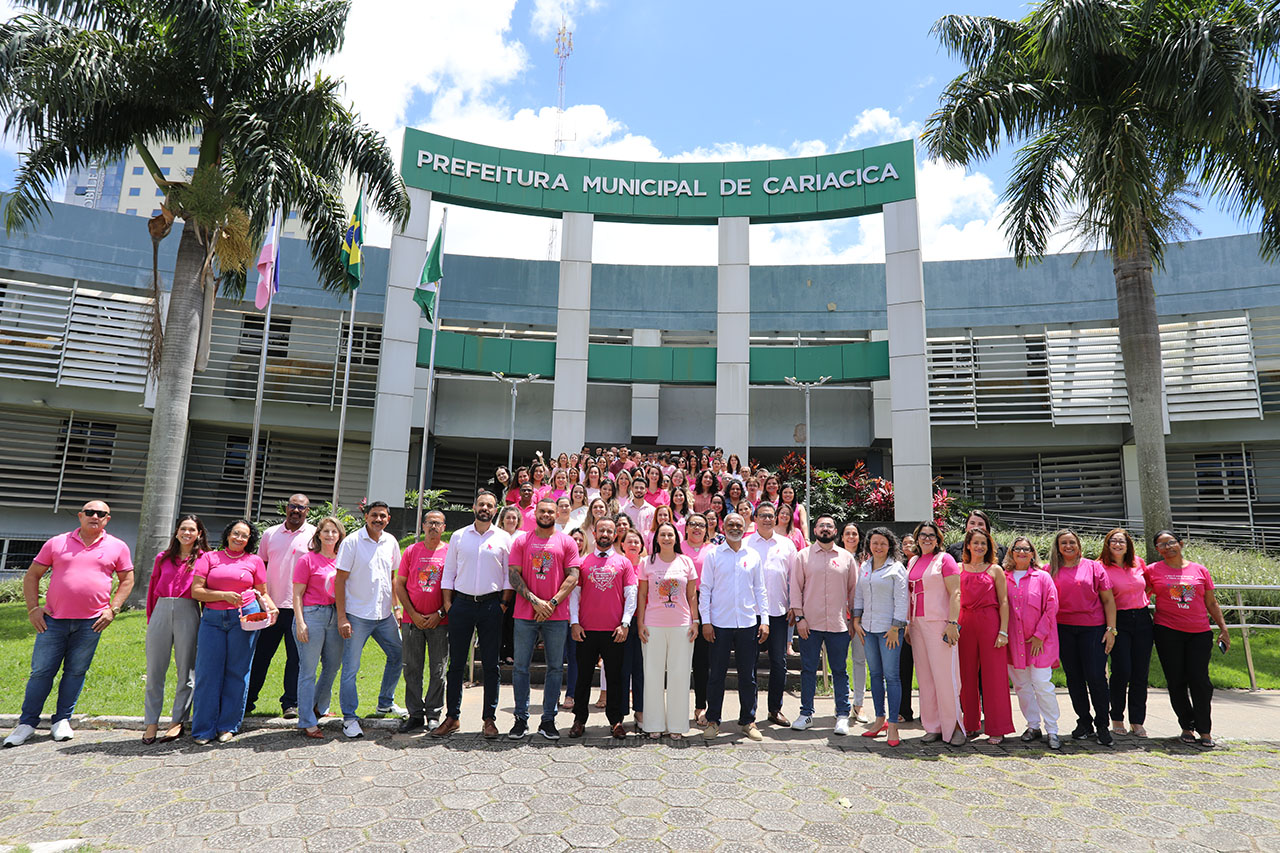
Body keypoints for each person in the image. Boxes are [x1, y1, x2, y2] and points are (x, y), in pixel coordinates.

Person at [6, 501, 134, 748]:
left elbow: (127, 579)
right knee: (41, 672)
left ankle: (62, 720)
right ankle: (26, 723)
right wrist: (33, 608)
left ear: (107, 519)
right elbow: (32, 574)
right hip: (52, 620)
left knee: (76, 672)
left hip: (92, 623)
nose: (94, 516)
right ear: (80, 516)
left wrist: (113, 609)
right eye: (89, 512)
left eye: (100, 514)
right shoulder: (57, 542)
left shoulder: (117, 546)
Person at [189, 519, 277, 745]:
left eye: (244, 536)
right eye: (236, 533)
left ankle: (228, 726)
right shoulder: (209, 558)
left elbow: (262, 592)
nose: (239, 538)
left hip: (246, 618)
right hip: (213, 620)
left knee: (238, 672)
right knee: (208, 673)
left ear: (250, 540)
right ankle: (203, 729)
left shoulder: (255, 561)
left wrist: (271, 606)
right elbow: (197, 591)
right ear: (228, 534)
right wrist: (223, 595)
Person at [433, 491, 512, 739]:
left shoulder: (503, 538)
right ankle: (452, 717)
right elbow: (449, 573)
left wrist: (503, 605)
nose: (485, 508)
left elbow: (510, 576)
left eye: (490, 505)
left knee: (491, 665)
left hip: (491, 606)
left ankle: (489, 719)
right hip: (462, 606)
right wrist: (448, 604)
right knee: (455, 664)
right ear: (474, 506)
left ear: (495, 509)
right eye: (481, 504)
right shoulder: (458, 536)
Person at [507, 498, 582, 740]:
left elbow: (573, 576)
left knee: (554, 668)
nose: (547, 514)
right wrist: (534, 601)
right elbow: (513, 575)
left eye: (551, 511)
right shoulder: (521, 540)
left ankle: (548, 719)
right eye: (543, 511)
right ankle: (520, 718)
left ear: (557, 513)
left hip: (556, 615)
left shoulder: (567, 541)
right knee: (520, 668)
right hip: (525, 613)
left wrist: (551, 603)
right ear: (535, 513)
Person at [1149, 530, 1231, 748]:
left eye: (1171, 542)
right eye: (1162, 545)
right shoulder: (1152, 571)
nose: (1168, 547)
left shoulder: (1199, 570)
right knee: (1176, 681)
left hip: (1199, 632)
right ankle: (1187, 726)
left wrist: (1223, 628)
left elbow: (1211, 603)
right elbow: (1139, 594)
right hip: (1168, 632)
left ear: (1181, 544)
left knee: (1200, 681)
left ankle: (1205, 729)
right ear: (1157, 549)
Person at [335, 501, 404, 739]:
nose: (378, 519)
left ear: (388, 518)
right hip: (357, 615)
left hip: (384, 615)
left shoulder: (391, 542)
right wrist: (342, 617)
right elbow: (340, 581)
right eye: (374, 515)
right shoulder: (352, 542)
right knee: (351, 669)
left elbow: (393, 577)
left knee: (398, 655)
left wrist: (396, 606)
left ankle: (385, 702)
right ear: (366, 516)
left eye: (382, 516)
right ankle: (349, 718)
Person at [699, 513, 769, 742]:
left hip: (748, 623)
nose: (735, 528)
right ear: (723, 526)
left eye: (739, 524)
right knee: (716, 675)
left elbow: (761, 590)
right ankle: (712, 721)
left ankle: (748, 721)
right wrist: (706, 621)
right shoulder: (713, 555)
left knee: (747, 676)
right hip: (719, 623)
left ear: (746, 526)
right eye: (731, 524)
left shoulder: (753, 555)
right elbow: (706, 589)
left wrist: (765, 620)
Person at [246, 494, 315, 719]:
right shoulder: (270, 534)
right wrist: (261, 600)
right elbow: (260, 566)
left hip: (300, 608)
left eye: (301, 508)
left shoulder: (314, 534)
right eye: (293, 506)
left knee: (295, 659)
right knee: (260, 656)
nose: (296, 511)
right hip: (271, 607)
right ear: (286, 508)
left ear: (307, 511)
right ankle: (246, 701)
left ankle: (290, 704)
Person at [789, 515, 858, 734]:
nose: (825, 529)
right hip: (810, 624)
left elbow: (854, 592)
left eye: (829, 526)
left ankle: (842, 715)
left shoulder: (846, 558)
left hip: (839, 625)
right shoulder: (803, 556)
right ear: (815, 530)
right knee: (808, 670)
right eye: (821, 525)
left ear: (835, 531)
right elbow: (795, 589)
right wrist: (799, 618)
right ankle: (806, 713)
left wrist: (853, 620)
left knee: (839, 671)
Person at [142, 514, 208, 744]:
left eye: (192, 529)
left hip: (188, 610)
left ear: (199, 534)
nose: (187, 533)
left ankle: (177, 721)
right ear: (177, 531)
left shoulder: (204, 559)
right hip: (161, 609)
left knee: (186, 671)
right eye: (183, 529)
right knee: (155, 671)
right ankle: (151, 722)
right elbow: (152, 590)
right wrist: (152, 618)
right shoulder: (163, 558)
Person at [1048, 528, 1118, 746]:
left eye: (1072, 542)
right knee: (1074, 679)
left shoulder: (1093, 567)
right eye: (1064, 543)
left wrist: (1111, 629)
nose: (1068, 546)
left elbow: (1108, 601)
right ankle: (1084, 722)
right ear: (1057, 548)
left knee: (1096, 677)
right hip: (1063, 630)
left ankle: (1103, 724)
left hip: (1093, 629)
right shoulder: (1049, 570)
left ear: (1078, 545)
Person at [638, 522, 699, 739]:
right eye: (662, 535)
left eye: (670, 535)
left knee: (679, 675)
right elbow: (642, 595)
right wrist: (640, 624)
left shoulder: (686, 562)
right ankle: (653, 724)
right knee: (653, 675)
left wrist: (696, 621)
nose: (666, 538)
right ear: (656, 539)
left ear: (676, 538)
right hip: (653, 624)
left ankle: (677, 726)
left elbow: (692, 595)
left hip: (681, 625)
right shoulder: (647, 562)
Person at [907, 521, 965, 745]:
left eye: (931, 535)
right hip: (916, 624)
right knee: (925, 677)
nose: (927, 539)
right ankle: (933, 726)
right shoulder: (913, 560)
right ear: (917, 538)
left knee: (946, 678)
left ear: (938, 539)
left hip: (939, 623)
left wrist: (952, 623)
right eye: (923, 535)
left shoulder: (945, 560)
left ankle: (956, 727)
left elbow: (956, 592)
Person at [1003, 537, 1062, 749]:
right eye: (1017, 549)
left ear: (1032, 553)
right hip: (1014, 642)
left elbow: (1051, 606)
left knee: (1042, 683)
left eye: (1025, 549)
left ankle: (1052, 729)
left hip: (1040, 642)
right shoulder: (1004, 577)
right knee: (1022, 686)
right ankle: (1033, 725)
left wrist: (1039, 634)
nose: (1021, 552)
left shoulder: (1043, 577)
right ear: (1011, 552)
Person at [853, 527, 909, 746]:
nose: (878, 547)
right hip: (867, 629)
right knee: (875, 675)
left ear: (890, 546)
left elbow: (902, 600)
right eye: (875, 543)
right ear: (869, 545)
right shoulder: (864, 567)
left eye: (883, 543)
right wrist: (856, 621)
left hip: (889, 631)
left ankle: (893, 725)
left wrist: (896, 627)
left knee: (892, 676)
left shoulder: (896, 568)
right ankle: (880, 720)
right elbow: (859, 596)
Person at [394, 510, 449, 734]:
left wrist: (440, 614)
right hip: (412, 620)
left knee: (438, 669)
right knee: (412, 668)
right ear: (423, 526)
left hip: (440, 621)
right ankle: (415, 714)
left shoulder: (450, 552)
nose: (433, 526)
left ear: (444, 527)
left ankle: (434, 714)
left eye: (438, 523)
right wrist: (413, 614)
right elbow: (400, 585)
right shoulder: (411, 551)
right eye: (429, 523)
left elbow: (453, 587)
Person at [957, 529, 1013, 744]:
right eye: (976, 543)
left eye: (984, 543)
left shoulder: (995, 570)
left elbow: (1004, 602)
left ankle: (997, 727)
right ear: (968, 546)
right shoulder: (959, 568)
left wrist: (1003, 631)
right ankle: (970, 724)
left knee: (994, 677)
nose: (979, 547)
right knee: (966, 675)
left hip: (990, 623)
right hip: (965, 623)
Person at [292, 516, 345, 739]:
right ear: (319, 535)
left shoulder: (342, 560)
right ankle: (306, 720)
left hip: (335, 615)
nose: (330, 535)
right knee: (308, 671)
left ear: (340, 535)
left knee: (332, 666)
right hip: (312, 615)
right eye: (326, 531)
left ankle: (318, 707)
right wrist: (301, 622)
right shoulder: (308, 560)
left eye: (335, 532)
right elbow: (296, 594)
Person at [744, 502, 796, 727]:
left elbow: (795, 578)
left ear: (776, 519)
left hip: (778, 612)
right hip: (750, 613)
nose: (767, 519)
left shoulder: (787, 545)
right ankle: (749, 713)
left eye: (770, 515)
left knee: (779, 662)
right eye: (762, 515)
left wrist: (796, 605)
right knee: (749, 664)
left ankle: (775, 709)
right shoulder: (745, 543)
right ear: (755, 518)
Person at [1099, 527, 1153, 738]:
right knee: (1122, 671)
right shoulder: (1100, 567)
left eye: (1122, 541)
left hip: (1141, 619)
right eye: (1114, 541)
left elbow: (1149, 586)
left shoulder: (1138, 563)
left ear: (1128, 545)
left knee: (1140, 673)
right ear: (1107, 544)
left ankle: (1137, 721)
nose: (1118, 544)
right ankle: (1117, 718)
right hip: (1117, 620)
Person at [682, 513, 716, 726]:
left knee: (703, 662)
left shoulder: (713, 551)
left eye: (701, 525)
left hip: (705, 607)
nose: (697, 528)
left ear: (707, 529)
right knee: (680, 663)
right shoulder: (677, 549)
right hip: (678, 606)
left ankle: (700, 706)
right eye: (693, 524)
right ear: (686, 528)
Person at [617, 527, 647, 728]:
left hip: (644, 624)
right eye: (629, 541)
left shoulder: (648, 566)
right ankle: (618, 714)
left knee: (641, 670)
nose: (633, 545)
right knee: (621, 670)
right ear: (622, 544)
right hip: (622, 625)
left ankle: (640, 711)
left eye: (637, 542)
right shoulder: (618, 565)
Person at [841, 522, 869, 724]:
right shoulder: (834, 557)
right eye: (847, 534)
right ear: (841, 537)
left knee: (860, 661)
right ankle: (840, 704)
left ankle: (858, 705)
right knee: (839, 663)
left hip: (862, 618)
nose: (851, 537)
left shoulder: (868, 561)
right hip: (839, 618)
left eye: (855, 534)